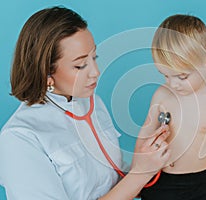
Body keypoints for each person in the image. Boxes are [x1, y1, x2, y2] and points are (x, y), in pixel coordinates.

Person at [0, 6, 171, 200]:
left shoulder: (92, 103)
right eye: (80, 65)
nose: (95, 72)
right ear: (46, 73)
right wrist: (141, 173)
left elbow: (115, 179)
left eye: (94, 57)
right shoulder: (19, 139)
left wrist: (168, 168)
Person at [135, 14, 206, 200]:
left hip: (196, 186)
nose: (173, 84)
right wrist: (137, 174)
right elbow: (145, 132)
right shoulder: (162, 95)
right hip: (158, 179)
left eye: (182, 77)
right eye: (165, 75)